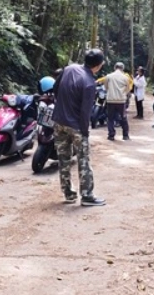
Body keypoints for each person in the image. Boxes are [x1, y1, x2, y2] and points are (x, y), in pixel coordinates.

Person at [51, 49, 106, 206]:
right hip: (75, 126)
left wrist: (62, 105)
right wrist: (85, 132)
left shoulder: (69, 68)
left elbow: (55, 88)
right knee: (83, 160)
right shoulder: (89, 83)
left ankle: (68, 193)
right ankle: (87, 195)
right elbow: (85, 112)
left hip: (58, 121)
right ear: (98, 65)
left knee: (63, 159)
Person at [98, 62, 131, 141]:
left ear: (114, 68)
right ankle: (125, 135)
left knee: (110, 118)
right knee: (123, 117)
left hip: (110, 100)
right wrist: (123, 94)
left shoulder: (109, 76)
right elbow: (128, 89)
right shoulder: (125, 77)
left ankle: (111, 135)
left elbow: (106, 87)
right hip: (121, 101)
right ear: (122, 68)